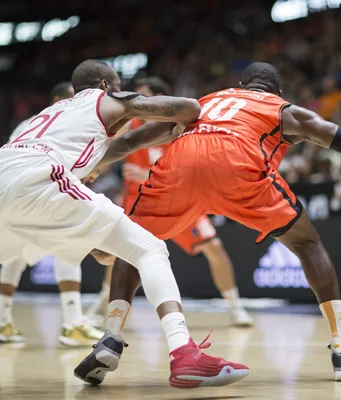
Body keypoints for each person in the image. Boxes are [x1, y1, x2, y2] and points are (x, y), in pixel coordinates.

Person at [77, 62, 341, 382]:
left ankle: (111, 339)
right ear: (277, 93)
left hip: (184, 159)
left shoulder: (206, 100)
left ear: (241, 84)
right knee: (307, 244)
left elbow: (131, 142)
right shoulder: (283, 110)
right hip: (238, 164)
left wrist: (89, 166)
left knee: (135, 244)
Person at [0, 60, 249, 389]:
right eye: (118, 86)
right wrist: (200, 111)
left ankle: (109, 340)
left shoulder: (55, 113)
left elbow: (127, 143)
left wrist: (98, 242)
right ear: (105, 85)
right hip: (36, 176)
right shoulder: (105, 98)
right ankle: (184, 353)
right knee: (150, 249)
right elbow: (187, 107)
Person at [87, 77, 253, 328]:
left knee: (214, 247)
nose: (137, 100)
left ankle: (235, 306)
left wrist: (152, 175)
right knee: (119, 255)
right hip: (138, 203)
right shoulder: (130, 122)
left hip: (177, 198)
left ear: (161, 100)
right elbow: (106, 146)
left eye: (143, 95)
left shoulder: (180, 127)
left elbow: (192, 166)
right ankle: (101, 307)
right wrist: (92, 167)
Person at [0, 82, 105, 346]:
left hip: (11, 197)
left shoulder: (27, 123)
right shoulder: (65, 124)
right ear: (57, 100)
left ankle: (0, 320)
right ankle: (73, 323)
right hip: (40, 193)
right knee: (69, 245)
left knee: (15, 257)